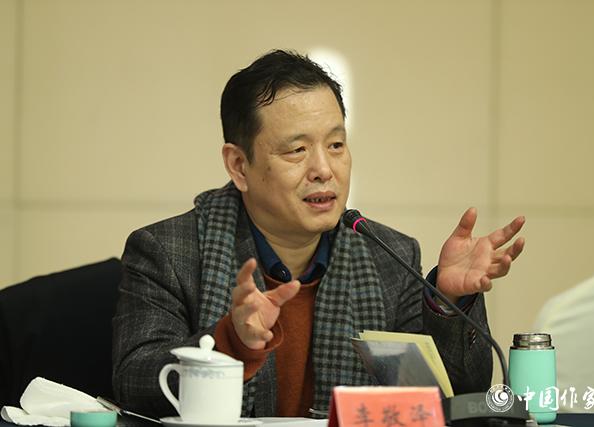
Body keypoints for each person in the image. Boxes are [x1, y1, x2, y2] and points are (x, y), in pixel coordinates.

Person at [112, 50, 525, 418]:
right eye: (297, 150)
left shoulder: (388, 257)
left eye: (336, 145)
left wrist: (449, 303)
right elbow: (134, 384)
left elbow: (455, 399)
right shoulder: (168, 251)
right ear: (239, 166)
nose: (324, 170)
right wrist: (231, 342)